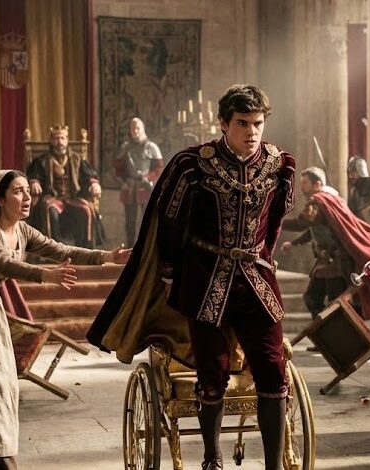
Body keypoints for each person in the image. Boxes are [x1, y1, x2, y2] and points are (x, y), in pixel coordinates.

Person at [88, 84, 295, 470]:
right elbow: (170, 222)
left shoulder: (279, 165)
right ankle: (212, 458)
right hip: (205, 281)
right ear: (223, 123)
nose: (252, 131)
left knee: (272, 368)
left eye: (258, 123)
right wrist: (168, 272)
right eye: (243, 123)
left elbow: (275, 222)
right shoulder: (193, 164)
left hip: (257, 281)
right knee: (211, 372)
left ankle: (274, 466)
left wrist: (264, 257)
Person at [0, 169, 131, 470]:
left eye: (28, 191)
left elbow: (61, 249)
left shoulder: (23, 230)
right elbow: (4, 263)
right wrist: (45, 275)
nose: (27, 197)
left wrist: (107, 257)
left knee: (1, 382)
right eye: (18, 191)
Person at [281, 166, 370, 330]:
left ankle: (335, 336)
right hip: (327, 261)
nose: (301, 187)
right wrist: (294, 243)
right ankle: (326, 334)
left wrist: (275, 221)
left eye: (305, 183)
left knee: (333, 303)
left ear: (317, 184)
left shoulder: (318, 202)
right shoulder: (330, 201)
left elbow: (303, 222)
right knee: (314, 298)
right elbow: (314, 229)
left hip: (335, 263)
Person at [26, 125, 104, 248]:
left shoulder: (77, 159)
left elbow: (89, 175)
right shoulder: (42, 160)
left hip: (74, 197)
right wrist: (34, 182)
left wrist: (94, 184)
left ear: (67, 140)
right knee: (49, 212)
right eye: (56, 138)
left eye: (62, 138)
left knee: (86, 211)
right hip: (52, 198)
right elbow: (34, 175)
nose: (60, 142)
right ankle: (54, 250)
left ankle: (84, 251)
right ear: (51, 141)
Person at [113, 117, 164, 248]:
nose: (135, 131)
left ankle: (147, 249)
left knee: (148, 220)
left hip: (145, 187)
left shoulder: (151, 147)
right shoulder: (125, 147)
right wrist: (122, 183)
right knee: (130, 221)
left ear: (143, 129)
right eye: (133, 128)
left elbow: (159, 168)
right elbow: (118, 169)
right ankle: (130, 249)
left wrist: (149, 177)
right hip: (130, 187)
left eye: (137, 128)